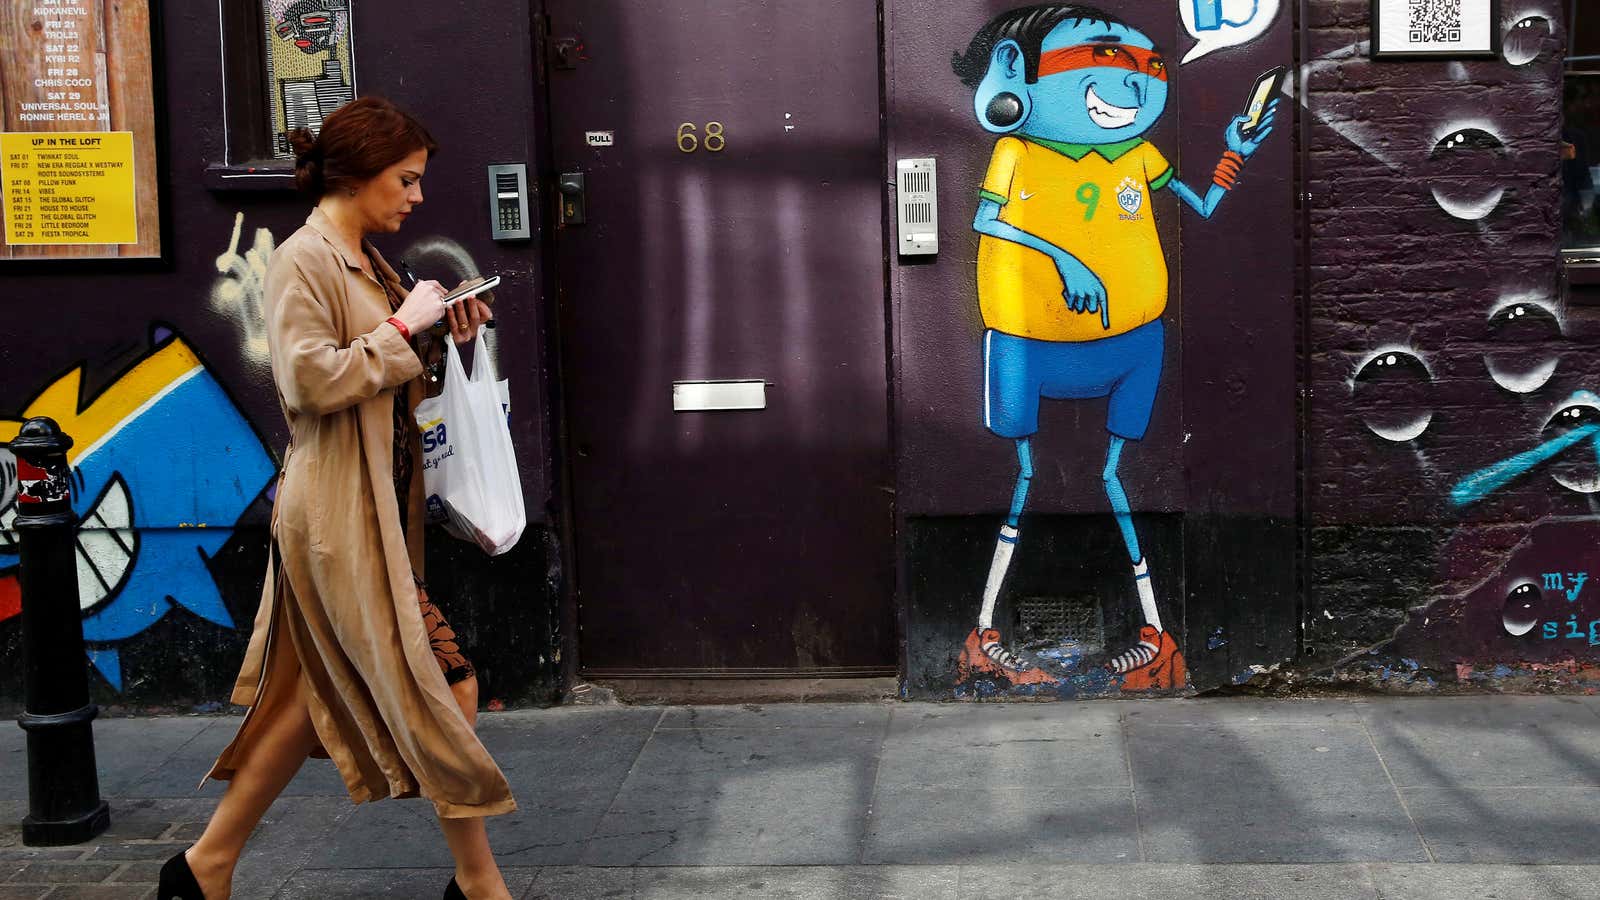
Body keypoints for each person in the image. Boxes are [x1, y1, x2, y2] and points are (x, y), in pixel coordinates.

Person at [157, 96, 513, 900]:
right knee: (448, 680)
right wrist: (399, 330)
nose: (416, 198)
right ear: (357, 176)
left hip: (373, 513)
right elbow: (308, 379)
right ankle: (479, 885)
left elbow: (376, 374)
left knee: (314, 696)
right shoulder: (303, 259)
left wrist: (440, 332)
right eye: (406, 180)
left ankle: (203, 868)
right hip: (334, 520)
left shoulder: (366, 257)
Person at [949, 4, 1276, 690]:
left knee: (1113, 475)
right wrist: (1064, 259)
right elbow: (987, 219)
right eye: (1106, 59)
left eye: (1148, 66)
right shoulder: (1017, 153)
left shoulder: (1139, 154)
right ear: (1017, 75)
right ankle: (984, 634)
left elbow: (1203, 205)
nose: (1136, 84)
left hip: (1133, 339)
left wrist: (1234, 152)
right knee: (1026, 475)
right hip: (1028, 340)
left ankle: (1155, 637)